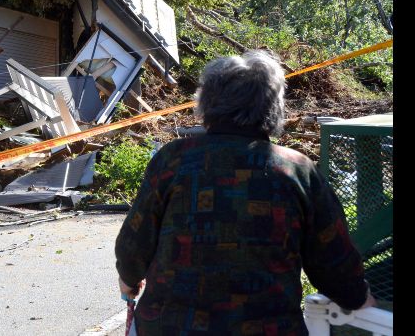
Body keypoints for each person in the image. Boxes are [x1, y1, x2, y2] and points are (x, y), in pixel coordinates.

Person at [114, 50, 375, 335]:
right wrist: (357, 297)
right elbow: (332, 255)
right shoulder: (297, 169)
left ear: (206, 103)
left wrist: (129, 278)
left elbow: (135, 240)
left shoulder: (173, 160)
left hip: (170, 326)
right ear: (274, 107)